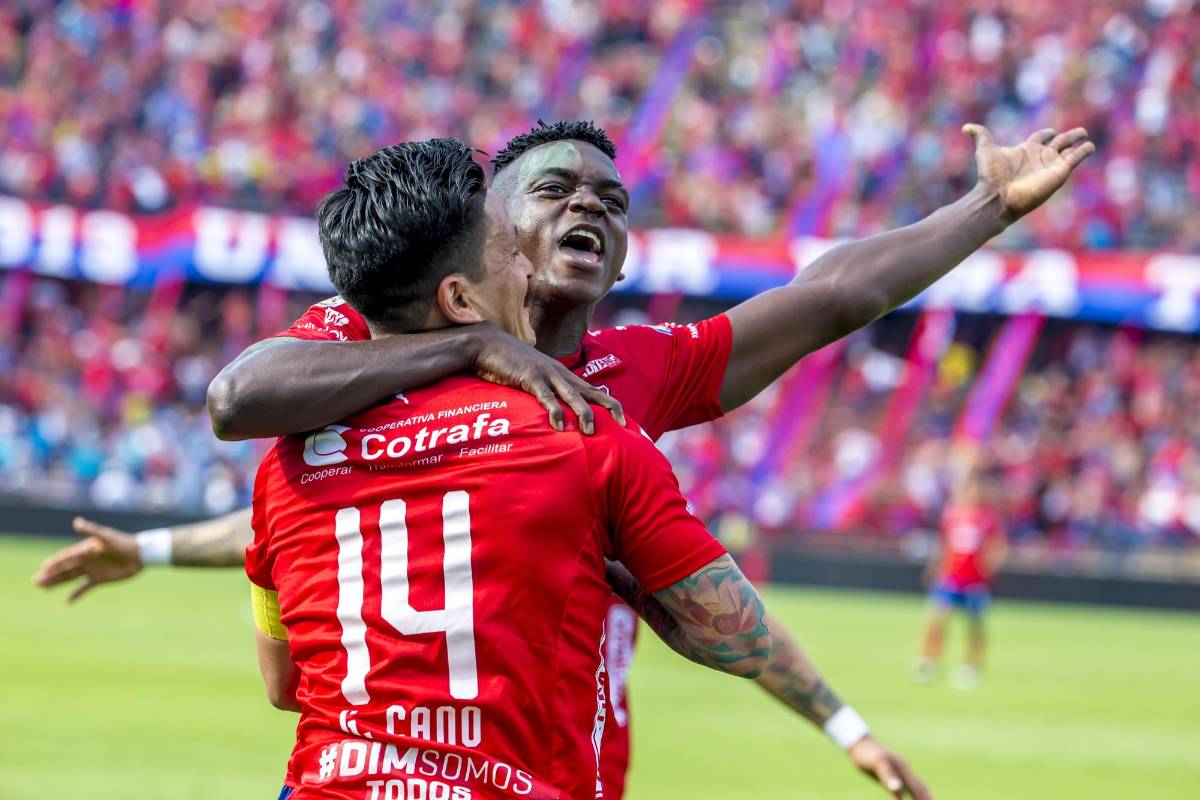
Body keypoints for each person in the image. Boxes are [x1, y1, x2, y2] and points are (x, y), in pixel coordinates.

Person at [37, 117, 1093, 798]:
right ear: (485, 235)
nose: (592, 202)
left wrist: (989, 206)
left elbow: (828, 297)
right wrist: (470, 346)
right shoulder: (374, 347)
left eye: (612, 199)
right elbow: (241, 400)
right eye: (556, 190)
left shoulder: (631, 374)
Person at [252, 136, 771, 799]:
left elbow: (283, 684)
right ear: (461, 300)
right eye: (507, 257)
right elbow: (743, 639)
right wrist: (625, 581)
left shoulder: (288, 460)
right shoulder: (586, 432)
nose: (525, 274)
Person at [913, 468, 1009, 690]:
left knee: (974, 626)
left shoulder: (988, 518)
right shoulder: (952, 515)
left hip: (975, 582)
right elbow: (942, 545)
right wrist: (935, 569)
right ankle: (929, 662)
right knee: (938, 621)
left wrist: (989, 567)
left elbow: (998, 546)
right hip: (950, 579)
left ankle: (971, 666)